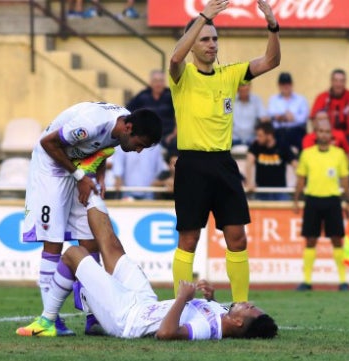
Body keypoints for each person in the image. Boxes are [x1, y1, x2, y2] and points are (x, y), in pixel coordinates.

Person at [17, 192, 278, 339]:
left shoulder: (209, 329)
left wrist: (182, 299)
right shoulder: (221, 314)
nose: (248, 303)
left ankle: (48, 320)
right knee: (113, 247)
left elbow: (165, 334)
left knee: (74, 253)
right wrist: (210, 297)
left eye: (250, 308)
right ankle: (90, 188)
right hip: (144, 302)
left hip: (127, 318)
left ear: (238, 322)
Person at [168, 0, 281, 302]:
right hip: (192, 164)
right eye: (204, 39)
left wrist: (272, 25)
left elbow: (271, 61)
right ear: (193, 44)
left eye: (215, 38)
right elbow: (175, 56)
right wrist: (203, 17)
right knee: (189, 239)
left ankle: (241, 304)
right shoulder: (182, 76)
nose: (211, 44)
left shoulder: (231, 74)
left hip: (224, 163)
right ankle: (181, 305)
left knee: (237, 238)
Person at [21, 101, 162, 336]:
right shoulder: (90, 123)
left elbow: (103, 147)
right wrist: (79, 176)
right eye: (139, 145)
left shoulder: (124, 125)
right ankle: (50, 320)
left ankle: (93, 317)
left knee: (90, 241)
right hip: (51, 168)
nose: (138, 151)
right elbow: (48, 143)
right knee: (53, 240)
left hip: (79, 170)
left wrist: (100, 176)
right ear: (128, 129)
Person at [292, 119, 349, 291]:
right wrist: (296, 199)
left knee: (337, 240)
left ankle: (343, 281)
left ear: (330, 134)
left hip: (333, 200)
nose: (323, 134)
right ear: (315, 133)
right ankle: (307, 281)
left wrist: (348, 200)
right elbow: (301, 178)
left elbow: (345, 178)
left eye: (326, 131)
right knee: (310, 240)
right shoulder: (307, 153)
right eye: (320, 131)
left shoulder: (339, 154)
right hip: (312, 200)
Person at [310, 69, 349, 187]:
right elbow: (314, 119)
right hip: (329, 135)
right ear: (331, 81)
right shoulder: (322, 98)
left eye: (341, 81)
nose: (338, 84)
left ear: (345, 82)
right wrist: (321, 135)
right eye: (336, 80)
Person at [126, 69, 177, 153]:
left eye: (161, 81)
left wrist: (174, 133)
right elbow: (128, 111)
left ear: (164, 83)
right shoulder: (143, 95)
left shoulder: (170, 95)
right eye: (155, 81)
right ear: (151, 83)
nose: (158, 84)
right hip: (147, 135)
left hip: (168, 135)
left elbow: (181, 114)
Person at [246, 122, 297, 201]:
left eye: (260, 135)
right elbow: (249, 163)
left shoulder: (282, 146)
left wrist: (298, 183)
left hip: (280, 191)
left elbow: (295, 164)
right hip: (261, 191)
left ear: (269, 135)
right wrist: (249, 182)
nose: (257, 138)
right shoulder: (256, 145)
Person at [267, 72, 309, 153]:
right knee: (276, 139)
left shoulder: (301, 99)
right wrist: (288, 117)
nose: (286, 86)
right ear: (279, 85)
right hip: (279, 131)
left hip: (297, 131)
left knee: (302, 140)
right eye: (283, 83)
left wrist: (293, 118)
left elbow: (303, 118)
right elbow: (271, 115)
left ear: (292, 84)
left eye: (288, 83)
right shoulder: (273, 99)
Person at [233, 82, 269, 146]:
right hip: (234, 139)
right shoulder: (230, 100)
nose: (245, 88)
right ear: (237, 88)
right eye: (242, 85)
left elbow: (263, 117)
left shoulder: (257, 100)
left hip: (252, 139)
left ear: (250, 87)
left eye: (247, 85)